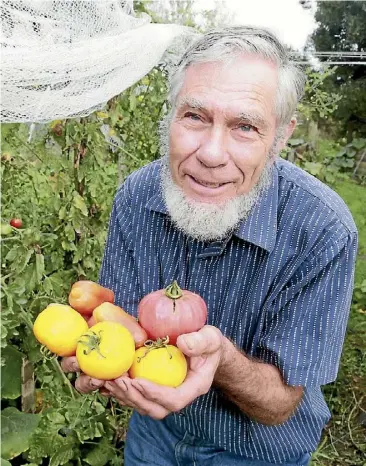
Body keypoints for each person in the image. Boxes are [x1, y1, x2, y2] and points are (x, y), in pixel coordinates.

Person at [62, 26, 358, 466]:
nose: (212, 153)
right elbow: (120, 328)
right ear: (170, 117)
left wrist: (220, 359)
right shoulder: (136, 198)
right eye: (195, 117)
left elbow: (280, 404)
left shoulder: (322, 230)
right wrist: (99, 358)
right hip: (154, 437)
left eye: (244, 126)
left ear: (279, 138)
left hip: (256, 452)